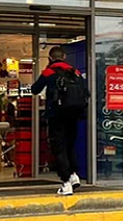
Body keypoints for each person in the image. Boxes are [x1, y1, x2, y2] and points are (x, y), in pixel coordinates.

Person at [31, 46, 89, 196]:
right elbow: (86, 92)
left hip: (56, 115)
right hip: (74, 115)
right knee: (70, 145)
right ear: (64, 57)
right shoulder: (75, 72)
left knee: (59, 148)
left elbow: (35, 89)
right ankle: (74, 174)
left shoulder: (49, 72)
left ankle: (66, 182)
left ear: (50, 58)